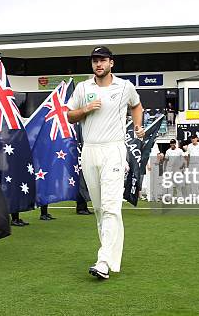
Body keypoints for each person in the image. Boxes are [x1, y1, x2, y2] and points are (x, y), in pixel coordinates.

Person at [67, 45, 144, 280]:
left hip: (114, 148)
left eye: (102, 60)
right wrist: (86, 109)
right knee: (101, 209)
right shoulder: (82, 87)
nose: (98, 64)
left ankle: (102, 261)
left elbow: (136, 105)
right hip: (89, 150)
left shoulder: (124, 87)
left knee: (111, 206)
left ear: (112, 63)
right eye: (94, 61)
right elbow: (69, 115)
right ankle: (109, 260)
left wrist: (138, 126)